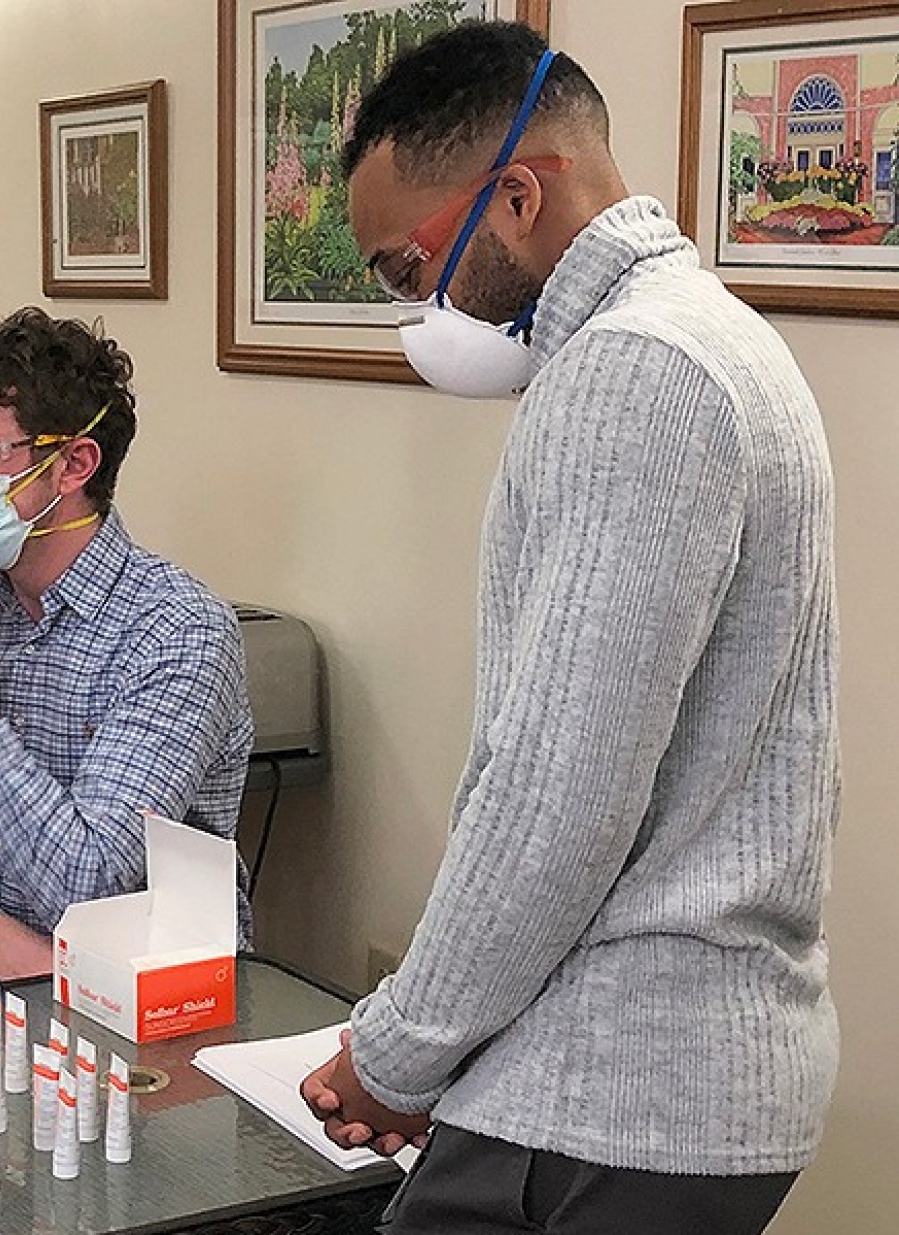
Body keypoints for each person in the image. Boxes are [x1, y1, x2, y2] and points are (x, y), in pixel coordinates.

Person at [300, 23, 838, 1235]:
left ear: (518, 198)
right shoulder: (723, 339)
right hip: (678, 1075)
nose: (406, 311)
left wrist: (399, 1047)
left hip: (612, 1084)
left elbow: (557, 789)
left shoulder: (630, 371)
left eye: (401, 270)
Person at [0, 307, 254, 981]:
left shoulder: (178, 628)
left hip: (160, 996)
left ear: (72, 463)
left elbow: (90, 884)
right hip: (4, 986)